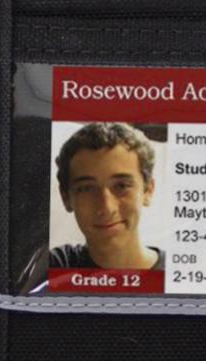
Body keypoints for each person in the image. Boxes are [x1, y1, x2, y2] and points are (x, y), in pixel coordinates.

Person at [31, 122, 164, 287]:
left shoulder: (180, 275)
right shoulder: (51, 268)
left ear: (148, 190)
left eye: (121, 186)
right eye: (87, 188)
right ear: (66, 197)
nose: (106, 208)